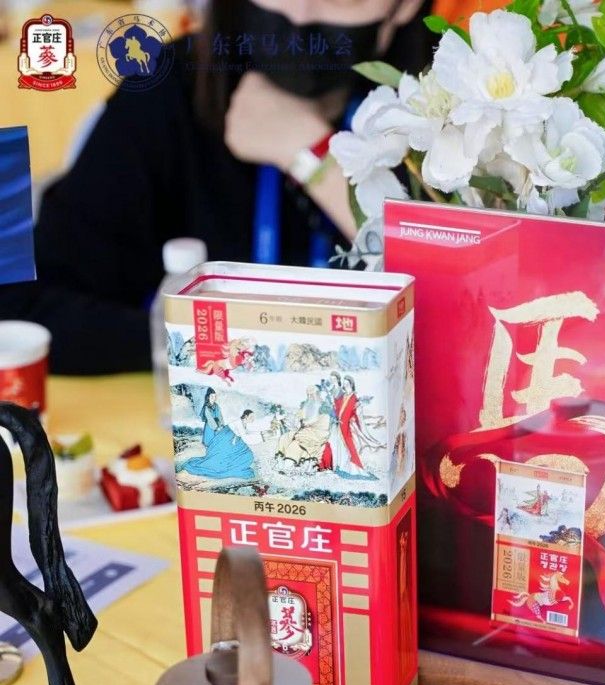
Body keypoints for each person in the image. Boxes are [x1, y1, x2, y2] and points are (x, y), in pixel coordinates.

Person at [0, 0, 434, 375]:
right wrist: (224, 343)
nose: (299, 16)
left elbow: (455, 317)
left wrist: (312, 155)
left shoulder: (449, 107)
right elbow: (21, 307)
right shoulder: (171, 89)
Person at [182, 388, 257, 480]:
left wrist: (221, 426)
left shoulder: (216, 406)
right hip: (210, 429)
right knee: (213, 446)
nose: (213, 398)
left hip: (219, 428)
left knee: (220, 447)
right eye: (212, 396)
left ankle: (215, 460)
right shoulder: (206, 407)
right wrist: (217, 428)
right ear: (208, 397)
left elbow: (220, 417)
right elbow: (210, 419)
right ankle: (212, 461)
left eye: (215, 396)